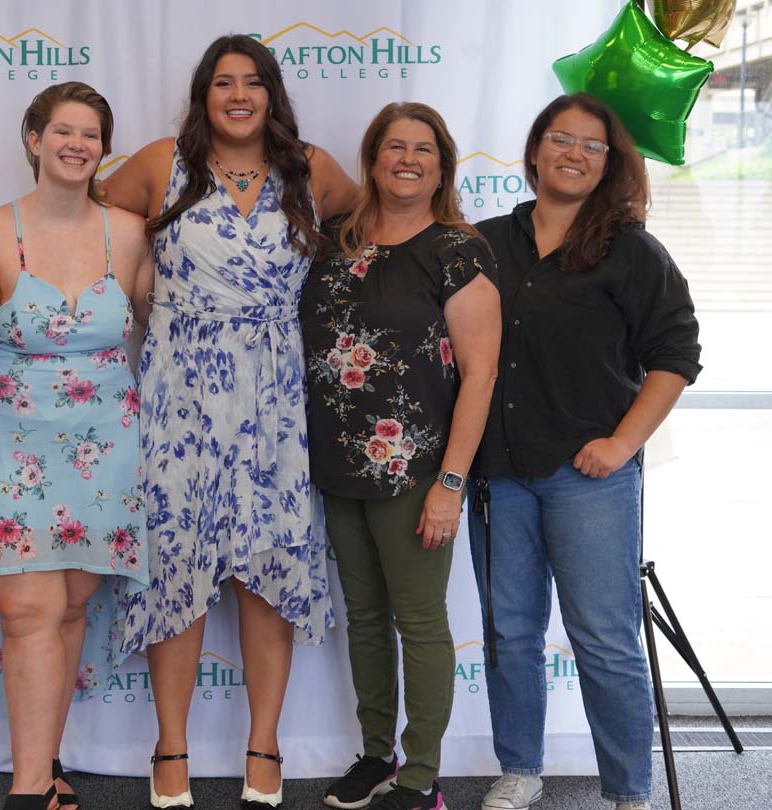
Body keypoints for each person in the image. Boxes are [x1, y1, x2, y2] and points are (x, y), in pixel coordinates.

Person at [100, 34, 358, 810]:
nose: (238, 96)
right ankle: (169, 748)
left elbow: (373, 221)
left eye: (252, 83)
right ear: (202, 95)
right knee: (175, 567)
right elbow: (88, 227)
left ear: (272, 94)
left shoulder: (311, 169)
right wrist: (141, 283)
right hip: (179, 389)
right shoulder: (157, 164)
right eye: (222, 83)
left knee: (269, 575)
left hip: (277, 393)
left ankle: (264, 745)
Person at [468, 93, 701, 810]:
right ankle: (521, 769)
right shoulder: (482, 242)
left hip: (589, 477)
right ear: (535, 151)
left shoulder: (632, 251)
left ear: (609, 164)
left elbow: (676, 355)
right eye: (561, 139)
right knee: (509, 632)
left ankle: (629, 791)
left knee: (603, 639)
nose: (574, 153)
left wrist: (624, 443)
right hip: (498, 475)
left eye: (591, 145)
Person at [0, 81, 153, 810]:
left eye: (90, 134)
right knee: (28, 614)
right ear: (33, 139)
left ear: (104, 148)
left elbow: (152, 333)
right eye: (62, 130)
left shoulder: (126, 233)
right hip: (9, 440)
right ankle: (29, 791)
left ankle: (46, 770)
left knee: (65, 613)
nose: (76, 145)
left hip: (106, 448)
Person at [299, 103, 501, 810]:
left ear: (442, 165)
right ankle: (374, 754)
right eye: (394, 146)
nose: (407, 159)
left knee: (419, 621)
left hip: (415, 471)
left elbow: (480, 373)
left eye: (424, 149)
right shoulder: (334, 239)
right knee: (363, 617)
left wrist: (451, 481)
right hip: (336, 464)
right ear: (373, 158)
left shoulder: (458, 249)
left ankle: (421, 773)